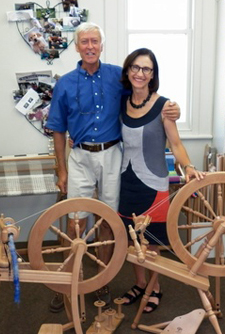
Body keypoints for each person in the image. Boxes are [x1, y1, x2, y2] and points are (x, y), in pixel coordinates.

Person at [45, 22, 181, 312]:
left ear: (101, 45)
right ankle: (71, 280)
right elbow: (57, 129)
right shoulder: (65, 83)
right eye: (85, 42)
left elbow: (143, 97)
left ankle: (102, 281)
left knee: (109, 220)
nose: (90, 46)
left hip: (112, 155)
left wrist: (173, 108)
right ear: (77, 47)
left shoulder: (116, 79)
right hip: (80, 157)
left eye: (95, 41)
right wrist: (62, 171)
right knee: (75, 221)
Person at [117, 48, 205, 314]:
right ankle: (140, 283)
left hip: (154, 181)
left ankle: (155, 288)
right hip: (126, 180)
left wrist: (188, 166)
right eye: (135, 67)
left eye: (146, 69)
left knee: (151, 239)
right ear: (128, 70)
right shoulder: (121, 102)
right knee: (133, 238)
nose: (140, 73)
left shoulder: (164, 106)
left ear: (153, 75)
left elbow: (176, 143)